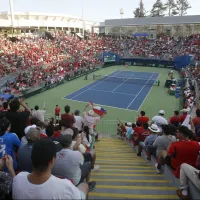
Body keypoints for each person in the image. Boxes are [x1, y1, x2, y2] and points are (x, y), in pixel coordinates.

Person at [12, 138, 88, 199]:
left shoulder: (17, 179)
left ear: (32, 158)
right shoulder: (65, 186)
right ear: (52, 160)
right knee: (84, 186)